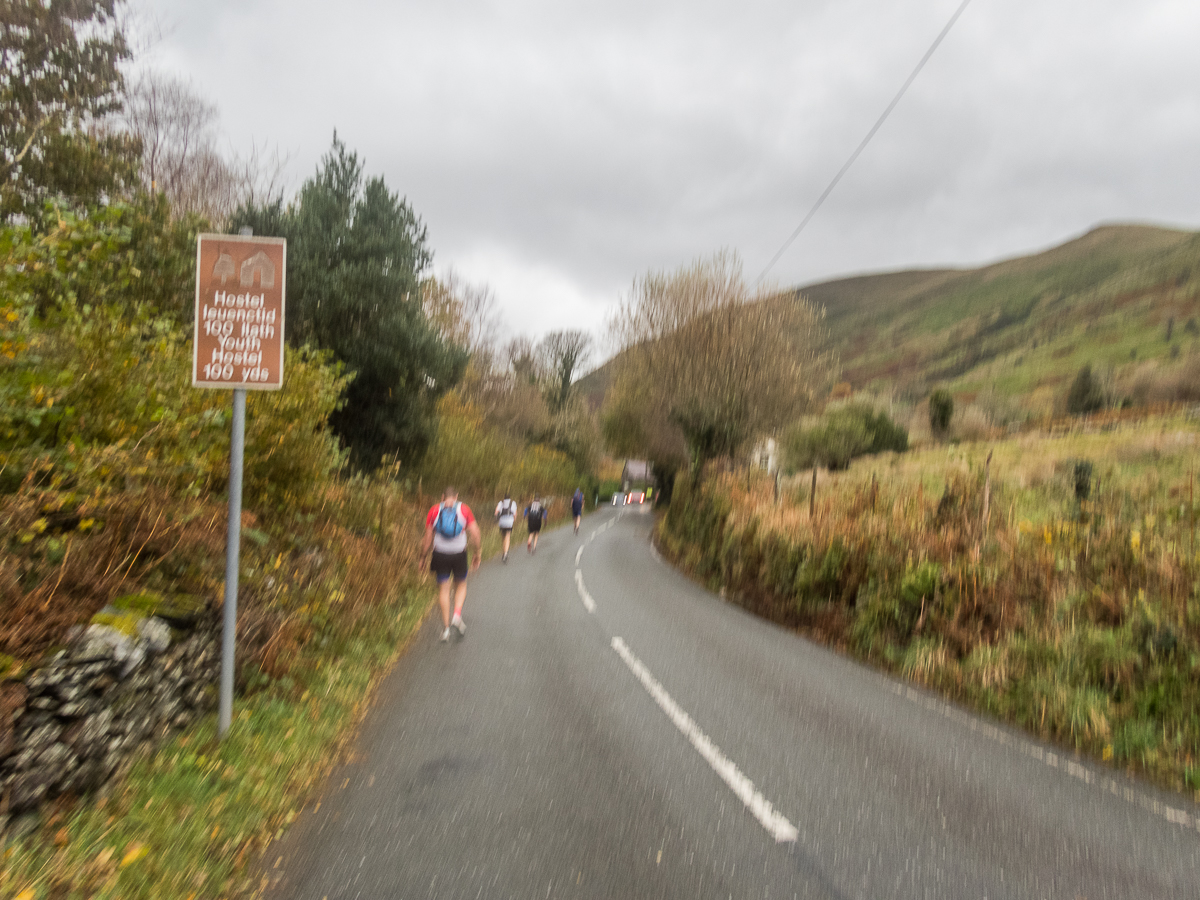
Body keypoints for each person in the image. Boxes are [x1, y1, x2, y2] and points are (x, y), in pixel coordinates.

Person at [419, 486, 482, 642]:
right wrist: (477, 553)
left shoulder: (433, 510)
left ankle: (446, 629)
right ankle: (457, 614)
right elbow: (475, 533)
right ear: (457, 496)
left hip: (440, 554)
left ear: (442, 497)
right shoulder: (464, 509)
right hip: (459, 554)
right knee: (461, 584)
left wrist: (423, 557)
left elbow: (427, 538)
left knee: (444, 590)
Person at [495, 490, 518, 562]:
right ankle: (505, 553)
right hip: (509, 522)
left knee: (503, 537)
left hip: (502, 523)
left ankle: (503, 551)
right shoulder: (513, 503)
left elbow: (496, 512)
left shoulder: (500, 503)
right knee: (507, 537)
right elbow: (515, 514)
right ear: (510, 498)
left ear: (504, 498)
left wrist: (497, 517)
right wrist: (514, 520)